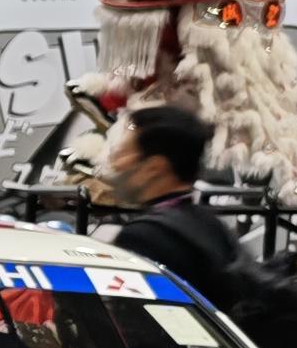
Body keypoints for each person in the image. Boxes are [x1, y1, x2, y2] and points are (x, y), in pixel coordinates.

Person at [101, 103, 245, 295]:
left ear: (154, 168)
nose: (116, 164)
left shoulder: (142, 238)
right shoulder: (213, 226)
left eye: (123, 153)